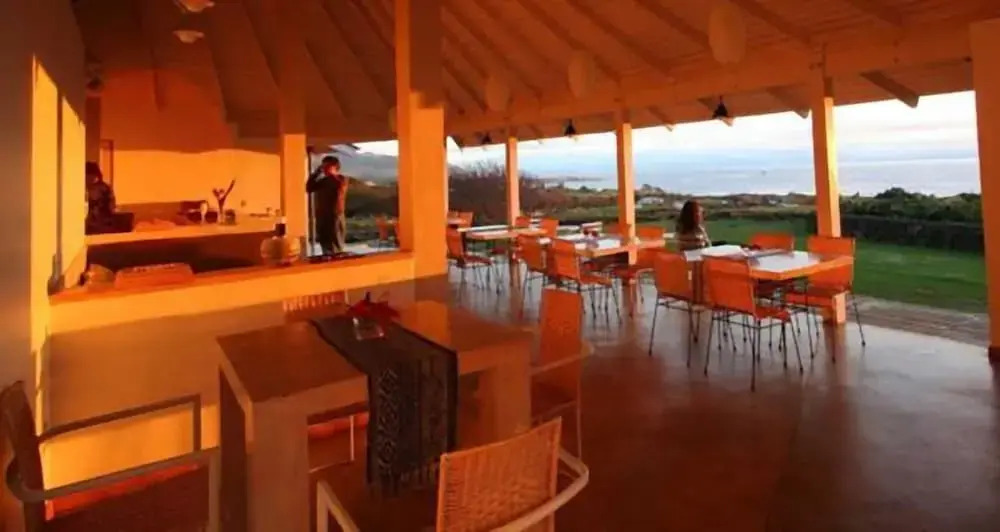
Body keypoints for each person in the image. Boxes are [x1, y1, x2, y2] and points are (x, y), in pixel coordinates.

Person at [307, 155, 349, 255]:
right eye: (324, 166)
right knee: (324, 242)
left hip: (335, 216)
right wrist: (317, 173)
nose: (325, 169)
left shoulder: (341, 179)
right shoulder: (324, 181)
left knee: (335, 243)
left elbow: (339, 187)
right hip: (322, 216)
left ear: (335, 167)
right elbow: (309, 188)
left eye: (327, 166)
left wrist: (331, 173)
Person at [85, 161, 116, 234]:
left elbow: (112, 207)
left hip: (98, 225)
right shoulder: (105, 188)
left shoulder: (102, 188)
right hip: (99, 225)